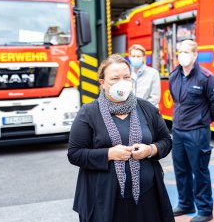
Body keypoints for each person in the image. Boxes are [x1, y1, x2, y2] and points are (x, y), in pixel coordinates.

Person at [68, 54, 174, 222]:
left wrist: (150, 150)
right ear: (102, 83)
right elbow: (75, 153)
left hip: (147, 198)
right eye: (114, 78)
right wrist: (109, 154)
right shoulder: (88, 113)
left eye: (126, 77)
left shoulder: (146, 108)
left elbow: (166, 141)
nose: (122, 82)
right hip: (104, 201)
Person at [169, 40, 214, 222]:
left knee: (199, 171)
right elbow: (176, 100)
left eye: (186, 52)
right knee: (180, 170)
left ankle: (205, 209)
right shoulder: (174, 76)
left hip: (197, 132)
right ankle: (185, 203)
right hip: (178, 130)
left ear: (195, 55)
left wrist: (204, 120)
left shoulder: (206, 77)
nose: (182, 55)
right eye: (180, 52)